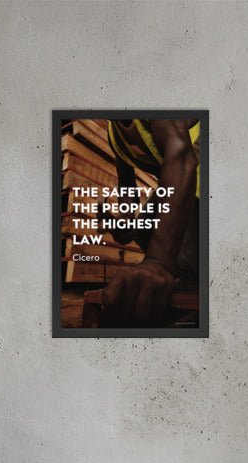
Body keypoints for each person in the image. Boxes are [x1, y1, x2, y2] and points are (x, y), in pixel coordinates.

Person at [100, 118, 200, 328]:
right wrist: (125, 220)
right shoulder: (114, 133)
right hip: (181, 176)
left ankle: (197, 300)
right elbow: (126, 187)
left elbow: (181, 155)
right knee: (144, 230)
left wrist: (158, 263)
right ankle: (186, 281)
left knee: (182, 251)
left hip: (203, 167)